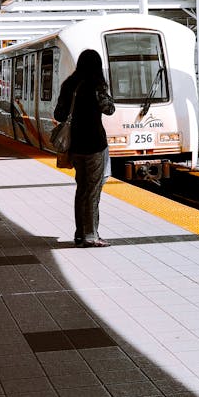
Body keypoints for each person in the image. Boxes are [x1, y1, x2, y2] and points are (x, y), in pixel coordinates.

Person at [54, 49, 115, 248]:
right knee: (93, 191)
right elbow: (109, 109)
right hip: (95, 145)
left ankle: (80, 234)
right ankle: (91, 235)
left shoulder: (69, 85)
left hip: (75, 146)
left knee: (82, 189)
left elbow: (59, 114)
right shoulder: (97, 86)